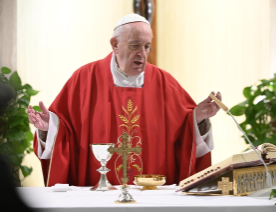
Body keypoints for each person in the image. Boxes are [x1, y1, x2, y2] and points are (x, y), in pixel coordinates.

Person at [27, 14, 222, 186]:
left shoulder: (165, 82)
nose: (142, 54)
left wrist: (198, 118)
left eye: (147, 47)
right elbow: (64, 133)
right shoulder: (85, 79)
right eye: (135, 46)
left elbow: (185, 135)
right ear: (114, 45)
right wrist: (48, 128)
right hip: (96, 194)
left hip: (152, 193)